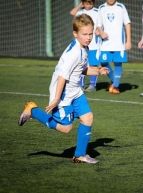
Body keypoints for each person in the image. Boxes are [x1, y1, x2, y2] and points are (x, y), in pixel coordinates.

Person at [18, 14, 108, 164]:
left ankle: (79, 154)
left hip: (75, 92)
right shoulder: (73, 53)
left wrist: (98, 71)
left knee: (88, 117)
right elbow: (62, 77)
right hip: (63, 94)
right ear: (75, 34)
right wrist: (56, 99)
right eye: (84, 34)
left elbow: (82, 69)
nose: (88, 37)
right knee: (66, 128)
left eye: (90, 33)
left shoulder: (83, 47)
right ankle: (33, 110)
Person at [96, 0, 131, 94]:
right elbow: (99, 25)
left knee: (118, 64)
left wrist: (128, 41)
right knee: (103, 62)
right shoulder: (101, 8)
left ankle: (115, 86)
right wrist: (101, 32)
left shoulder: (121, 7)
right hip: (106, 43)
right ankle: (114, 81)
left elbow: (127, 24)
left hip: (119, 43)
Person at [70, 0, 100, 92]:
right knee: (82, 64)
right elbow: (72, 12)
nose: (88, 5)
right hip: (82, 44)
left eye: (90, 2)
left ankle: (92, 85)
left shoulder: (97, 11)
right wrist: (80, 5)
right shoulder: (80, 12)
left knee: (93, 64)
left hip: (94, 44)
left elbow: (100, 25)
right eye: (86, 2)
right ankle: (81, 85)